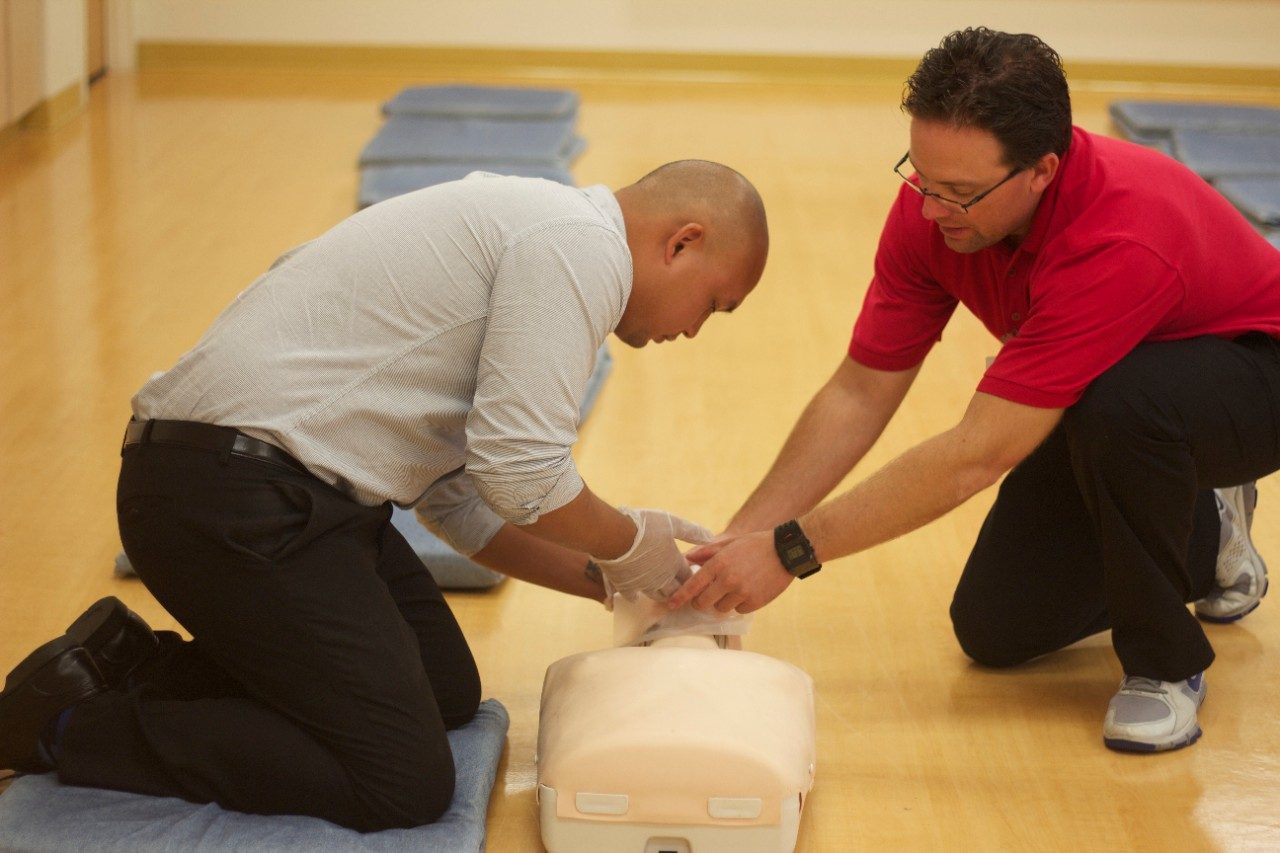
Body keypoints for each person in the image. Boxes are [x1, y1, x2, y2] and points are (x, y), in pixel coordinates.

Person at [0, 160, 769, 829]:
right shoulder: (578, 246)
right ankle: (69, 723)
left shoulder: (548, 227)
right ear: (682, 241)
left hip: (268, 493)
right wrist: (632, 544)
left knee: (445, 691)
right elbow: (521, 472)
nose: (697, 331)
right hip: (226, 499)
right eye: (714, 304)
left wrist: (616, 583)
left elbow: (460, 505)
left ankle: (131, 663)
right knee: (401, 779)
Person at [671, 27, 1280, 753]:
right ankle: (1208, 530)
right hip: (1105, 397)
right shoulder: (937, 209)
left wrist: (791, 552)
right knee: (995, 627)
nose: (931, 209)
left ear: (1042, 171)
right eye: (921, 178)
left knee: (1126, 401)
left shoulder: (1119, 236)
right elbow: (860, 391)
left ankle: (1163, 666)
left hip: (1247, 378)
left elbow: (977, 454)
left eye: (959, 192)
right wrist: (734, 548)